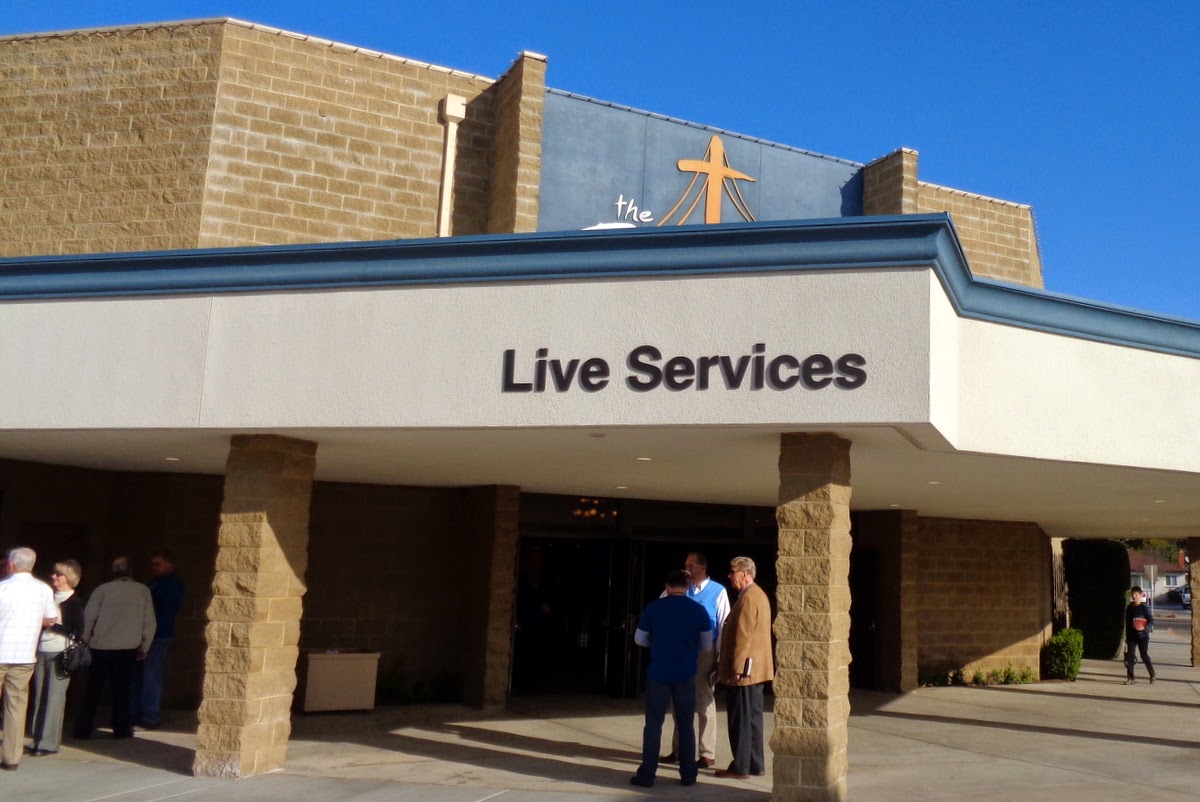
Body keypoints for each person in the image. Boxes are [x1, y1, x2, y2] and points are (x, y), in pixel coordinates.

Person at [630, 569, 712, 788]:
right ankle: (688, 774)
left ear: (667, 586)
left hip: (658, 672)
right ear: (686, 587)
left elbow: (639, 639)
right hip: (685, 673)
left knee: (654, 724)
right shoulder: (699, 611)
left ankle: (647, 774)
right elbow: (706, 645)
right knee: (686, 724)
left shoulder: (654, 608)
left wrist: (656, 645)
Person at [661, 551, 730, 769]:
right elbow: (663, 602)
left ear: (702, 567)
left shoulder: (718, 591)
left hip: (704, 650)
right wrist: (675, 583)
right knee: (678, 699)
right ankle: (679, 748)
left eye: (691, 565)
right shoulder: (682, 588)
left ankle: (706, 752)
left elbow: (723, 624)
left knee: (703, 700)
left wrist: (719, 657)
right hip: (681, 649)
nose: (687, 569)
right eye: (685, 565)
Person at [74, 556, 155, 740]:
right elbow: (149, 622)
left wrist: (84, 642)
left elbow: (88, 619)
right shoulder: (142, 591)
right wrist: (145, 646)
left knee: (92, 691)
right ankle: (122, 730)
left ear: (113, 571)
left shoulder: (102, 590)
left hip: (100, 647)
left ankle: (82, 729)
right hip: (128, 648)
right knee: (123, 692)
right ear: (131, 570)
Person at [715, 555, 774, 780]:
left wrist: (738, 667)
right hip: (754, 670)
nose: (730, 576)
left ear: (745, 573)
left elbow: (744, 635)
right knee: (752, 717)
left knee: (741, 718)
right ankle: (755, 763)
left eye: (733, 572)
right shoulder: (755, 594)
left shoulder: (749, 597)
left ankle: (741, 766)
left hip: (746, 671)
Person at [0, 547, 58, 771]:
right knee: (16, 707)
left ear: (11, 564)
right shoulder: (43, 589)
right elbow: (51, 618)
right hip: (24, 655)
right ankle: (12, 757)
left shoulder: (2, 588)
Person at [27, 560, 85, 756]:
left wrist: (51, 625)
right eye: (54, 573)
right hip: (42, 649)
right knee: (39, 695)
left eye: (59, 574)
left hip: (60, 651)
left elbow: (77, 631)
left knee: (54, 697)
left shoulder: (74, 602)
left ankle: (48, 742)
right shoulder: (49, 597)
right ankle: (37, 737)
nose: (54, 577)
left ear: (68, 578)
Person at [136, 550, 184, 729]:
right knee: (142, 675)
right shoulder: (155, 582)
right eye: (153, 564)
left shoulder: (172, 584)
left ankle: (150, 716)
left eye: (158, 564)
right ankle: (139, 713)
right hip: (146, 634)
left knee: (151, 675)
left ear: (169, 564)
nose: (154, 568)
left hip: (159, 634)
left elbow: (157, 603)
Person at [1123, 586, 1156, 685]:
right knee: (1130, 656)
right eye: (1132, 594)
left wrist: (1145, 628)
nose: (1134, 596)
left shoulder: (1144, 608)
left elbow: (1151, 621)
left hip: (1142, 636)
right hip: (1132, 636)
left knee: (1144, 655)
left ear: (1140, 595)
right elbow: (1128, 623)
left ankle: (1152, 674)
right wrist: (1127, 637)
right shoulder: (1129, 608)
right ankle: (1131, 677)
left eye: (1136, 594)